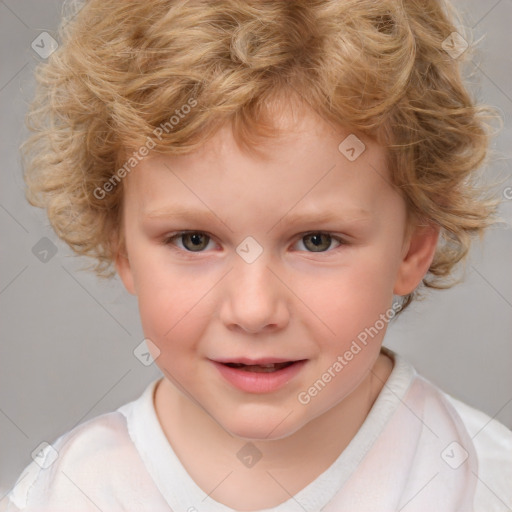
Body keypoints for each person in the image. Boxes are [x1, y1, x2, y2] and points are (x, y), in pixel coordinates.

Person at [5, 0, 512, 510]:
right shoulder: (70, 492)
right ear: (123, 249)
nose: (253, 310)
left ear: (414, 246)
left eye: (316, 241)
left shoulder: (483, 483)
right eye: (194, 240)